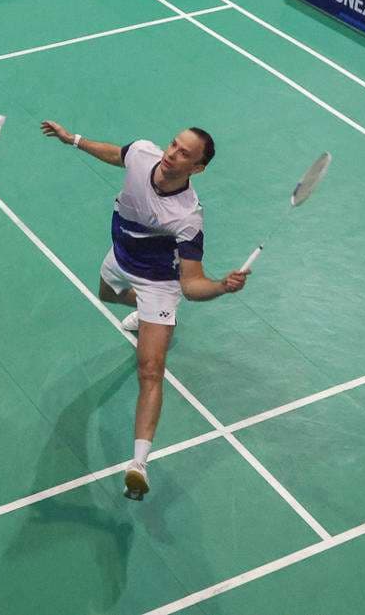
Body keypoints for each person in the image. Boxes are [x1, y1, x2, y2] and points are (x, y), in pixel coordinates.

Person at [38, 120, 245, 501]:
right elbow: (117, 154)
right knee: (107, 295)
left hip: (158, 283)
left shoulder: (187, 216)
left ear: (198, 168)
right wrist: (74, 139)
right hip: (120, 257)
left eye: (184, 154)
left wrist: (220, 286)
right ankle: (153, 322)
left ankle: (138, 464)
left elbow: (191, 284)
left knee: (150, 370)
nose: (172, 154)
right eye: (174, 144)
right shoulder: (144, 154)